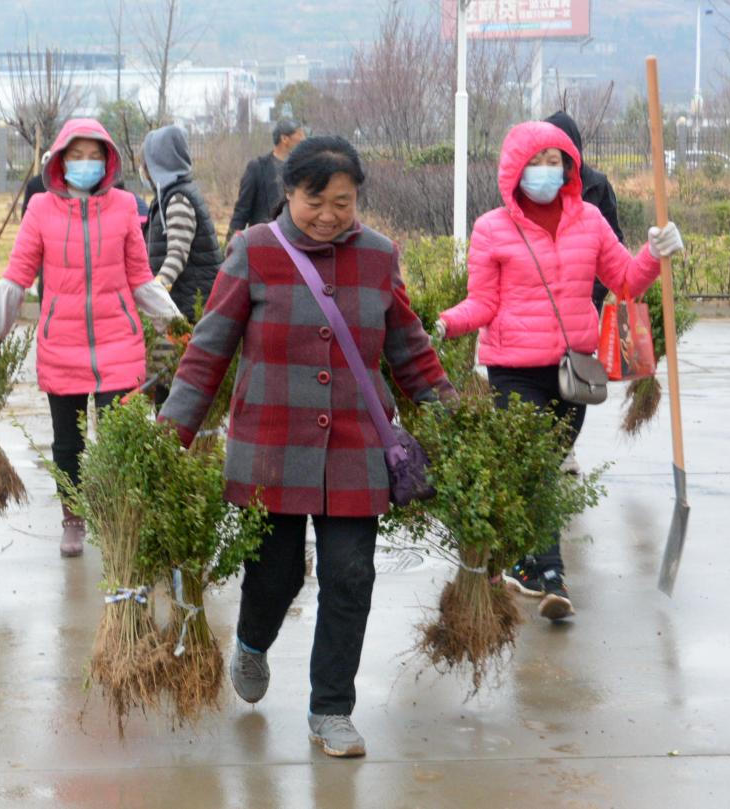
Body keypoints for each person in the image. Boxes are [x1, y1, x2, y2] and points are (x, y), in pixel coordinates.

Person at [160, 136, 455, 759]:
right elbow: (208, 350)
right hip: (272, 444)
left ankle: (332, 709)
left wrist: (455, 421)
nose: (328, 215)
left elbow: (410, 351)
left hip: (355, 446)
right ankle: (252, 640)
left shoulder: (378, 256)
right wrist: (169, 436)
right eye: (315, 201)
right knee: (277, 573)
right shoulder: (254, 251)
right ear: (288, 193)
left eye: (342, 203)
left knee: (351, 575)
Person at [434, 121, 684, 622]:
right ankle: (552, 576)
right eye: (536, 162)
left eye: (555, 162)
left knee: (541, 471)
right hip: (513, 370)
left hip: (574, 371)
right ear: (515, 169)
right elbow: (482, 302)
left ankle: (523, 561)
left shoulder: (589, 220)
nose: (546, 172)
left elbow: (624, 280)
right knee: (543, 469)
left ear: (569, 167)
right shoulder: (491, 229)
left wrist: (654, 255)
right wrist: (445, 324)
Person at [0, 118, 179, 558]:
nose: (86, 163)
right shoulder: (40, 209)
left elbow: (141, 278)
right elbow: (17, 276)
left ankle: (118, 515)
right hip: (61, 345)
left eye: (94, 156)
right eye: (77, 156)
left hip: (119, 344)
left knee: (120, 440)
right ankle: (73, 516)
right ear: (61, 161)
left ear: (108, 161)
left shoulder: (124, 207)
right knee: (68, 443)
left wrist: (174, 325)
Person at [545, 111, 625, 475]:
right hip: (544, 305)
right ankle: (543, 447)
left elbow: (614, 245)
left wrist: (592, 291)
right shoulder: (534, 185)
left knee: (576, 380)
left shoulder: (597, 186)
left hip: (581, 306)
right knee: (544, 376)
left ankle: (566, 448)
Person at [142, 124, 223, 320]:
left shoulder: (178, 199)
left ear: (157, 165)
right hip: (184, 300)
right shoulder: (168, 195)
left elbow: (177, 254)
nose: (143, 171)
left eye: (146, 164)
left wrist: (157, 290)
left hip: (191, 304)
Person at [228, 117, 304, 238]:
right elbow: (242, 209)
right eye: (299, 134)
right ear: (285, 139)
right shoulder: (257, 168)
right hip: (264, 238)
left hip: (295, 239)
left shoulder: (302, 168)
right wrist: (232, 241)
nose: (303, 138)